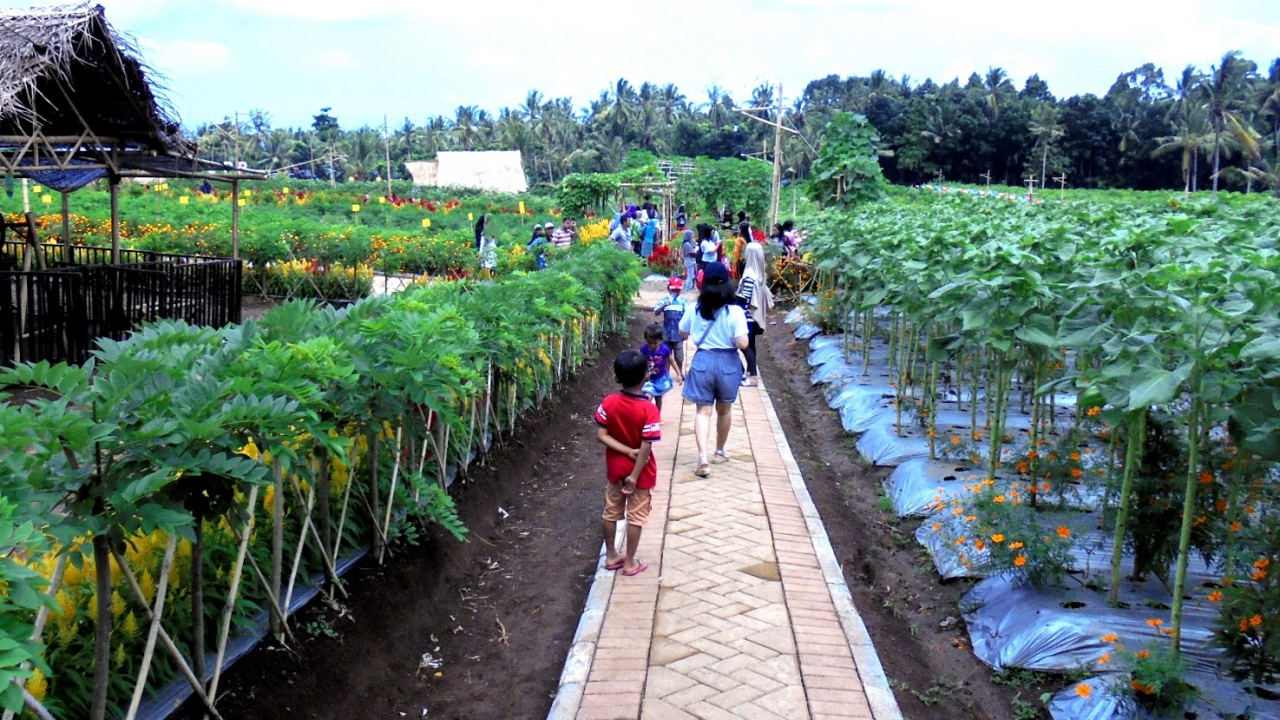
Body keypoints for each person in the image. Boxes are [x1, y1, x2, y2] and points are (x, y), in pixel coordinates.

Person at [594, 349, 661, 577]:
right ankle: (630, 561)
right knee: (636, 516)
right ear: (647, 376)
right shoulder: (649, 410)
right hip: (639, 475)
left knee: (611, 511)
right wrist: (634, 475)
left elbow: (601, 435)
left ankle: (612, 555)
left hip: (615, 470)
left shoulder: (609, 402)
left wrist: (625, 451)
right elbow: (646, 446)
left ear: (616, 378)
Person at [679, 262, 749, 477]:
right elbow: (743, 344)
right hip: (728, 362)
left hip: (703, 361)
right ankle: (719, 452)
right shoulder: (735, 311)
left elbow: (682, 333)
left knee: (703, 411)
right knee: (724, 410)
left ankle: (702, 458)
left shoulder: (695, 308)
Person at [735, 242, 773, 387]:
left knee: (745, 346)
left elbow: (744, 298)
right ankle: (750, 373)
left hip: (747, 317)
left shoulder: (749, 276)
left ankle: (753, 377)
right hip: (755, 317)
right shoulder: (759, 274)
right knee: (752, 345)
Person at [641, 323, 682, 412]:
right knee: (647, 396)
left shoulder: (664, 350)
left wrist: (679, 374)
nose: (652, 345)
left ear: (660, 340)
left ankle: (657, 415)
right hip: (648, 379)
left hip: (660, 378)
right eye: (649, 343)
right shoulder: (644, 349)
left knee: (658, 398)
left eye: (654, 343)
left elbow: (672, 361)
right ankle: (646, 414)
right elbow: (640, 362)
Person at [653, 277, 688, 372]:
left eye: (677, 290)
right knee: (666, 354)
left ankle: (679, 373)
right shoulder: (665, 300)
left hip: (678, 333)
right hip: (666, 333)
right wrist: (664, 306)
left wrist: (686, 332)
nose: (675, 292)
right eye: (673, 290)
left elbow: (687, 317)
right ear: (668, 288)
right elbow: (656, 311)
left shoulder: (683, 302)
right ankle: (666, 374)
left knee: (679, 356)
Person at [475, 214, 497, 278]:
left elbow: (483, 245)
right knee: (492, 266)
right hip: (492, 251)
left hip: (487, 252)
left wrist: (480, 254)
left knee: (487, 267)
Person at [680, 225, 698, 290]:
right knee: (690, 275)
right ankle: (687, 288)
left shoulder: (686, 243)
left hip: (688, 261)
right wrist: (697, 252)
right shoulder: (687, 244)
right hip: (689, 261)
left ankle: (686, 286)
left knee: (690, 275)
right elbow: (691, 253)